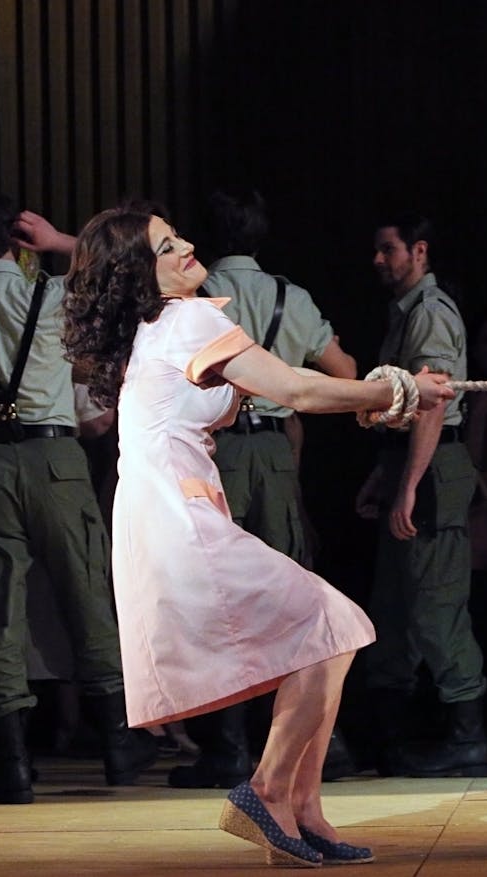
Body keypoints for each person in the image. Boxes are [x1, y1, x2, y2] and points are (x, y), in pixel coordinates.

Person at [61, 205, 451, 866]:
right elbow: (296, 388)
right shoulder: (185, 320)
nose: (185, 245)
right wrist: (399, 388)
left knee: (330, 631)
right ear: (142, 275)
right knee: (335, 626)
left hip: (167, 513)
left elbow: (292, 388)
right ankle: (269, 790)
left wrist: (377, 397)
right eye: (166, 246)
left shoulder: (161, 325)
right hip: (178, 519)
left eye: (178, 234)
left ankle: (301, 811)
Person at [0, 190, 155, 804]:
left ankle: (11, 765)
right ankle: (120, 744)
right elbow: (135, 263)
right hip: (58, 460)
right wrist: (64, 241)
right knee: (88, 594)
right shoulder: (57, 295)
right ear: (17, 239)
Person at [164, 187, 359, 790]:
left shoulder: (192, 298)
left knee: (218, 597)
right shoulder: (288, 296)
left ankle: (226, 747)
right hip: (274, 450)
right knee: (291, 595)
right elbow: (344, 371)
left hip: (214, 449)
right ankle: (319, 743)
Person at [355, 215, 487, 777]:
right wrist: (386, 476)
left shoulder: (430, 313)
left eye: (389, 249)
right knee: (395, 608)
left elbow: (432, 403)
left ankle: (469, 741)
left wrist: (409, 485)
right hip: (409, 464)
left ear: (419, 251)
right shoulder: (406, 312)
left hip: (433, 468)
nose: (379, 260)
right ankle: (392, 740)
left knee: (436, 609)